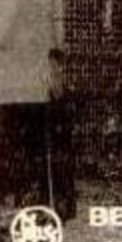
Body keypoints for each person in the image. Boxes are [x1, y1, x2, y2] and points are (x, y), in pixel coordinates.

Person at [44, 47, 77, 220]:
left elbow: (69, 113)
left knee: (63, 173)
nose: (54, 68)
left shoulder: (66, 88)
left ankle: (63, 208)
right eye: (51, 65)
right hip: (50, 136)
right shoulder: (45, 85)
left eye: (56, 65)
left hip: (63, 138)